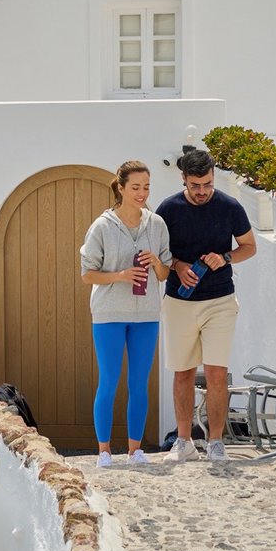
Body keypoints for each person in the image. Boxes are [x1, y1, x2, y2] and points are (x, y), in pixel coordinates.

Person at [156, 148, 257, 463]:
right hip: (179, 302)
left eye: (208, 184)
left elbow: (249, 247)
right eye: (196, 185)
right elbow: (158, 253)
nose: (202, 191)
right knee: (183, 372)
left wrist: (225, 256)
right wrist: (178, 266)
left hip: (220, 301)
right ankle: (183, 441)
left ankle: (215, 442)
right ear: (183, 178)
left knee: (216, 373)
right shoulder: (167, 210)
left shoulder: (230, 207)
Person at [80, 160, 171, 467]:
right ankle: (104, 451)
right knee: (108, 380)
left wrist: (156, 262)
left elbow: (165, 273)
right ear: (120, 188)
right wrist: (119, 276)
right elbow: (87, 274)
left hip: (146, 313)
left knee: (139, 382)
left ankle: (135, 451)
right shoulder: (102, 226)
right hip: (108, 314)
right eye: (135, 187)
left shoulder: (156, 225)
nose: (142, 193)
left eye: (146, 187)